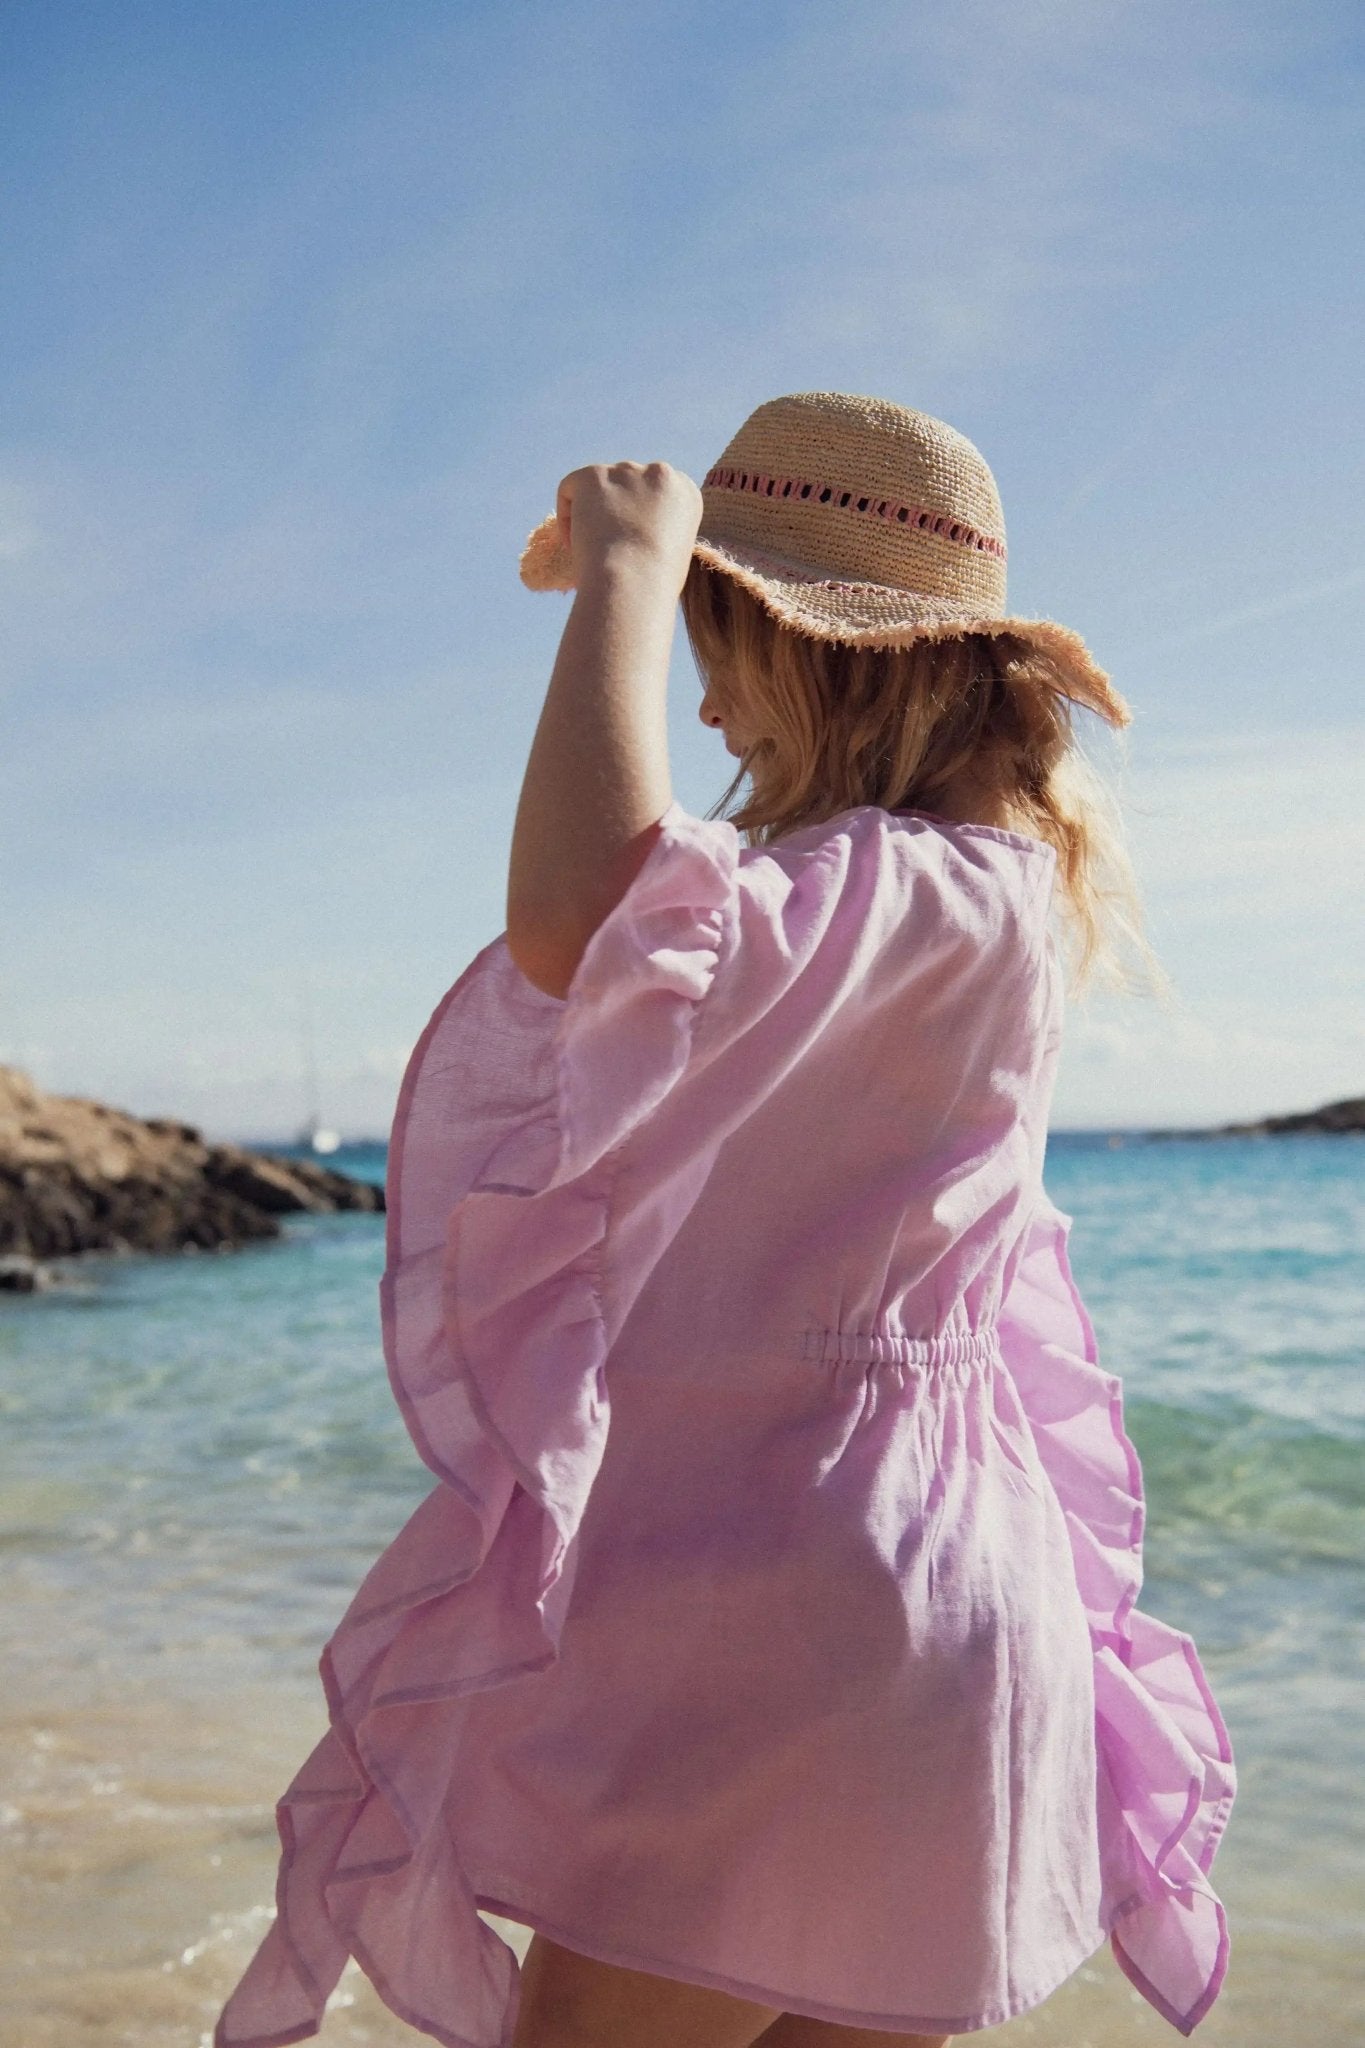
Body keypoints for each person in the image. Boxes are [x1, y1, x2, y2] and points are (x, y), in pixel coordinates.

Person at [214, 392, 1236, 2048]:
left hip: (792, 1618)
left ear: (833, 655)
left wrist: (627, 561)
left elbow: (578, 916)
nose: (698, 695)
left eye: (721, 639)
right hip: (949, 1621)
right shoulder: (986, 903)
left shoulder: (908, 895)